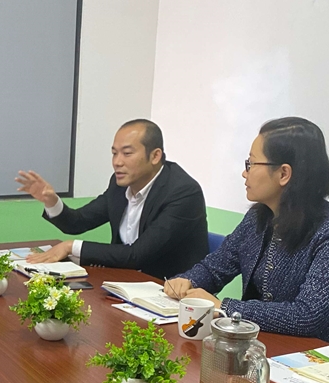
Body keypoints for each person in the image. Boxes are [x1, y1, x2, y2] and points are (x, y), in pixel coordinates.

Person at [165, 117, 329, 352]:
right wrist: (188, 281)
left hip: (321, 358)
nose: (244, 173)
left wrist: (225, 307)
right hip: (261, 346)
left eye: (251, 164)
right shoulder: (258, 218)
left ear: (284, 174)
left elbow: (307, 315)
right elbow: (216, 267)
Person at [15, 119, 209, 279]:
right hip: (125, 281)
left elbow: (137, 255)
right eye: (114, 153)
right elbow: (77, 222)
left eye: (127, 153)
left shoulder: (183, 192)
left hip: (171, 291)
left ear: (155, 156)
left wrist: (70, 246)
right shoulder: (119, 185)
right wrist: (51, 201)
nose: (117, 162)